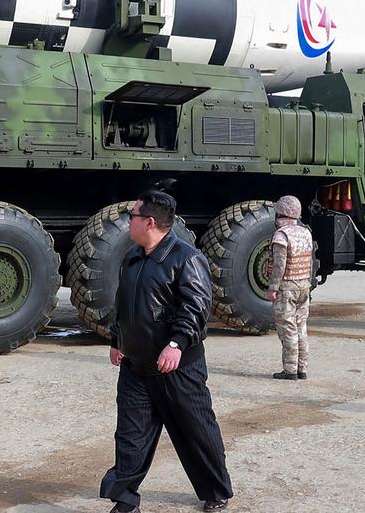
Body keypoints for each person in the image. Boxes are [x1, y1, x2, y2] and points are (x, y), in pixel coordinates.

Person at [101, 190, 233, 513]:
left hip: (177, 369)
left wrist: (176, 344)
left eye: (131, 216)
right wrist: (117, 339)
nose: (127, 222)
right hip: (135, 368)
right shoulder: (132, 258)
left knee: (196, 431)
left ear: (148, 222)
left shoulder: (186, 258)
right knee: (130, 437)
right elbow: (124, 305)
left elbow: (197, 307)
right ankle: (126, 500)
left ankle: (215, 490)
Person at [268, 195, 313, 380]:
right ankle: (302, 368)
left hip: (286, 288)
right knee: (301, 327)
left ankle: (290, 370)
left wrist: (273, 287)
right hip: (304, 285)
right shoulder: (305, 232)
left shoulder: (281, 235)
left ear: (280, 214)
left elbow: (279, 265)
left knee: (288, 330)